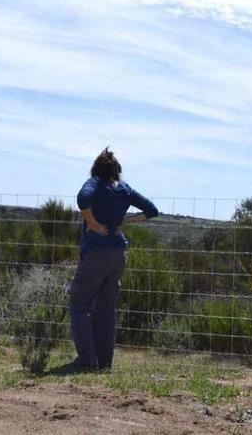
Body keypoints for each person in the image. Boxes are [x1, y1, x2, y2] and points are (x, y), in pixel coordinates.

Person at [63, 148, 159, 373]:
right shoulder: (124, 189)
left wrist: (92, 223)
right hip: (118, 255)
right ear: (117, 170)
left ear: (97, 168)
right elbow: (152, 210)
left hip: (96, 253)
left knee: (80, 305)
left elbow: (82, 198)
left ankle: (87, 360)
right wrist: (126, 222)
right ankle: (104, 363)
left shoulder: (95, 183)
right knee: (106, 310)